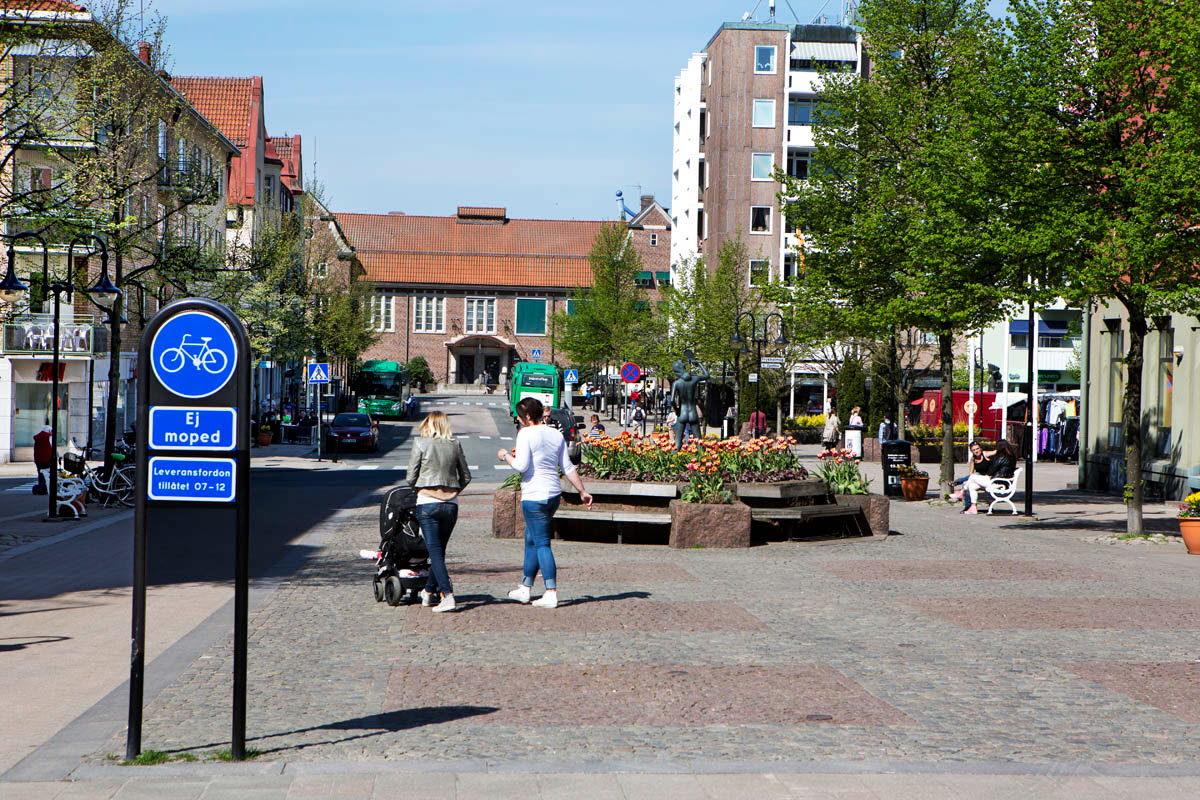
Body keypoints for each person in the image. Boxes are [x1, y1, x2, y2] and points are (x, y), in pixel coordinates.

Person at [498, 397, 593, 608]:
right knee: (531, 538)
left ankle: (551, 592)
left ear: (528, 416)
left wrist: (505, 455)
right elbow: (567, 466)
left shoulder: (526, 434)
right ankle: (525, 588)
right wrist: (582, 491)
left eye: (520, 416)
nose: (518, 420)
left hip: (534, 495)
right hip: (552, 495)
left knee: (541, 543)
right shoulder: (555, 434)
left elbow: (521, 465)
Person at [406, 411, 472, 612]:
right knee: (439, 551)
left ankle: (447, 595)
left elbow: (411, 476)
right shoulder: (455, 444)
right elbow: (466, 476)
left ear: (428, 425)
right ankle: (428, 591)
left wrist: (419, 489)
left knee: (435, 552)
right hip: (451, 504)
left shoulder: (420, 443)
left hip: (427, 502)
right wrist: (453, 490)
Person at [960, 439, 1016, 515]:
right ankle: (973, 508)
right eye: (974, 450)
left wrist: (986, 474)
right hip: (1001, 480)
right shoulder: (1010, 457)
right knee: (972, 485)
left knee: (972, 477)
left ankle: (962, 491)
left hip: (997, 482)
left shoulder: (1001, 458)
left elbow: (991, 470)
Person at [950, 441, 992, 510]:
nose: (976, 451)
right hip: (978, 477)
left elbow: (996, 451)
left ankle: (958, 482)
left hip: (988, 477)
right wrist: (970, 480)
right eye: (974, 450)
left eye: (977, 449)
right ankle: (968, 507)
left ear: (981, 449)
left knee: (972, 477)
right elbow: (971, 473)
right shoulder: (973, 459)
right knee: (966, 483)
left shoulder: (986, 454)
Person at [32, 425, 53, 495]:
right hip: (47, 459)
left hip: (38, 459)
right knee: (47, 474)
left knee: (41, 474)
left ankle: (41, 488)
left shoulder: (38, 437)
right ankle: (43, 489)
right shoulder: (47, 437)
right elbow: (50, 448)